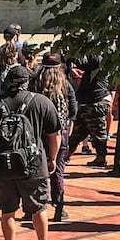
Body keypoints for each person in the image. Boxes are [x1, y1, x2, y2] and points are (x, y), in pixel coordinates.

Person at [0, 64, 61, 240]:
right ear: (28, 82)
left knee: (7, 211)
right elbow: (55, 135)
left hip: (4, 165)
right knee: (39, 208)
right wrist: (52, 158)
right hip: (34, 164)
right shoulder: (42, 102)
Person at [31, 56, 76, 223]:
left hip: (38, 133)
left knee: (35, 170)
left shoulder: (35, 83)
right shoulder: (65, 85)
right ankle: (59, 207)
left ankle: (33, 207)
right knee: (57, 170)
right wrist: (69, 123)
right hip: (59, 132)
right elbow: (73, 107)